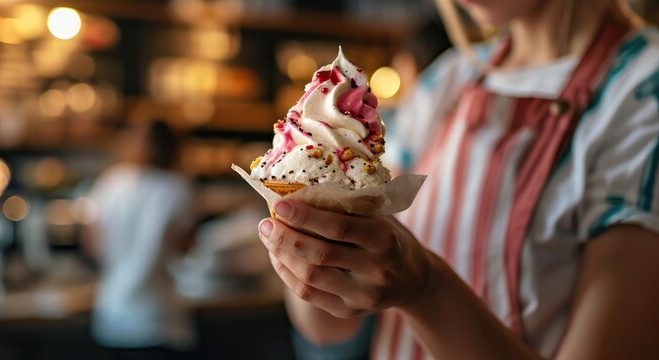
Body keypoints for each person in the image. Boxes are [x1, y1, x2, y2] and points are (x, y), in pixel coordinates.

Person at [257, 0, 659, 358]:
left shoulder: (643, 91)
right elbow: (332, 327)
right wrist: (309, 249)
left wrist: (426, 289)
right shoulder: (447, 81)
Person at [85, 119, 196, 359]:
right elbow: (184, 249)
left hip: (112, 314)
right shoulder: (177, 187)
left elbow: (93, 246)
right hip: (160, 318)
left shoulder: (110, 183)